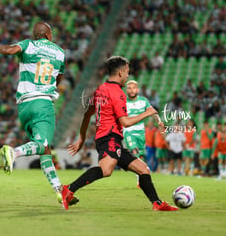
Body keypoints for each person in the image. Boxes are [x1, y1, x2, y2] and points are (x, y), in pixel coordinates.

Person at [61, 56, 178, 211]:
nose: (128, 76)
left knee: (143, 169)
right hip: (109, 137)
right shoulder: (118, 93)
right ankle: (68, 189)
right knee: (106, 170)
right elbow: (125, 122)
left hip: (110, 139)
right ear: (121, 73)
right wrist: (147, 112)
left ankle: (157, 203)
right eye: (127, 72)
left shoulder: (100, 90)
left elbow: (87, 114)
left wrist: (82, 138)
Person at [0, 22, 77, 208]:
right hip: (43, 103)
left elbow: (10, 51)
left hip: (24, 105)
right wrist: (51, 87)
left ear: (35, 35)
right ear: (49, 34)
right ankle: (14, 152)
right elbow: (59, 77)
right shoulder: (59, 52)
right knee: (42, 145)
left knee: (45, 150)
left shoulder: (28, 44)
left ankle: (60, 191)